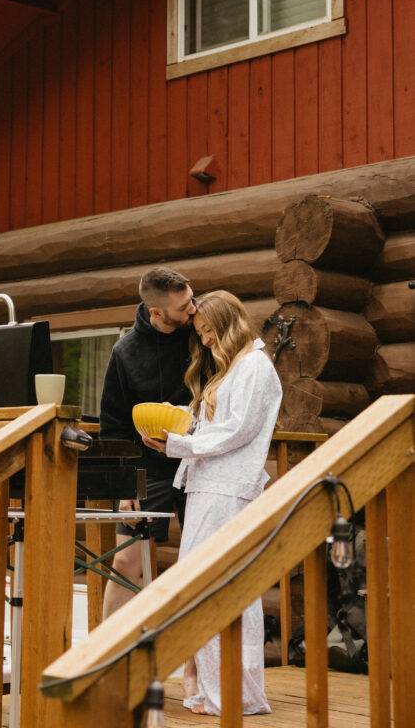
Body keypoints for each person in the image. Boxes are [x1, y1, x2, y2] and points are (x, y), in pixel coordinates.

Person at [143, 290, 282, 716]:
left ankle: (236, 693)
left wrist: (179, 444)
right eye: (200, 333)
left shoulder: (255, 365)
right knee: (205, 587)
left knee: (224, 587)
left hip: (228, 490)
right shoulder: (233, 367)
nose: (204, 340)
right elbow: (217, 426)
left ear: (228, 324)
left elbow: (238, 430)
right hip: (209, 486)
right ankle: (215, 688)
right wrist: (178, 422)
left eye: (208, 331)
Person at [99, 266, 196, 620]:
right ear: (156, 312)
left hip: (199, 462)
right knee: (126, 562)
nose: (193, 309)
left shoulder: (201, 334)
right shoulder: (124, 352)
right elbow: (113, 427)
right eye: (183, 307)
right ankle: (108, 649)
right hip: (148, 468)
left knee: (203, 559)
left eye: (192, 300)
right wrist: (124, 485)